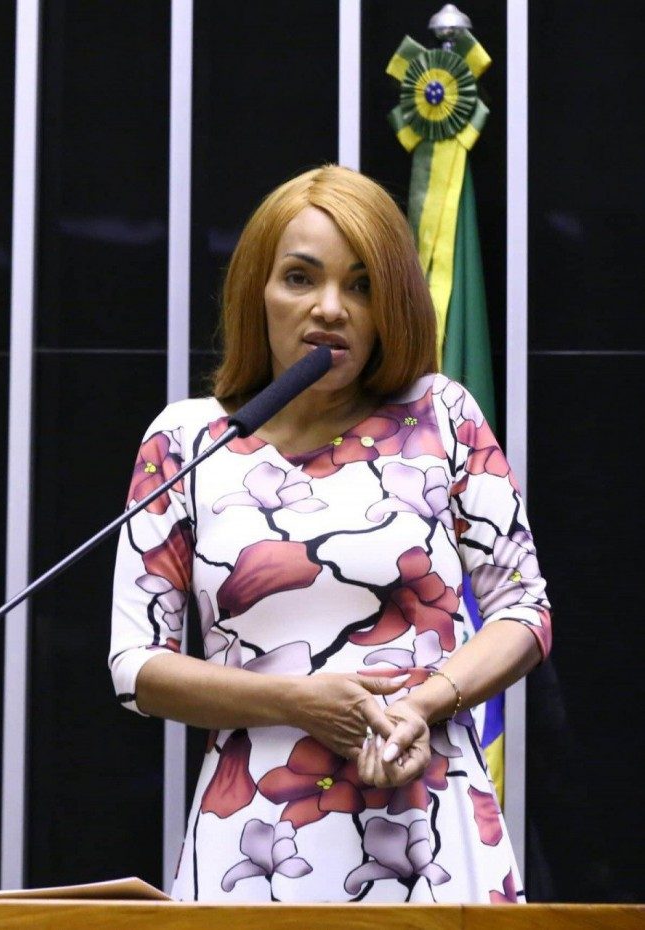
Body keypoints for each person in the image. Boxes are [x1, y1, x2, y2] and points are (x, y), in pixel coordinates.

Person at [109, 164, 551, 903]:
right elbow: (136, 667)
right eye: (299, 277)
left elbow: (523, 610)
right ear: (256, 291)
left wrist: (422, 704)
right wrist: (297, 702)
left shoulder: (442, 416)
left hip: (430, 821)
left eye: (362, 286)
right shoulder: (186, 441)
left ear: (391, 307)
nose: (329, 308)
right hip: (254, 838)